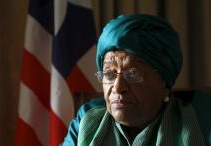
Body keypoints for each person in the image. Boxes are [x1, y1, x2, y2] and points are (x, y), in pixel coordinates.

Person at [61, 14, 209, 146]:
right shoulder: (88, 119)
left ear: (164, 81)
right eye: (109, 74)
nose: (118, 87)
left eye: (133, 74)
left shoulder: (202, 117)